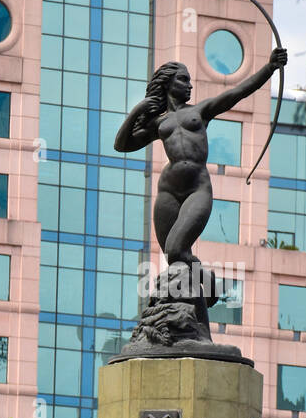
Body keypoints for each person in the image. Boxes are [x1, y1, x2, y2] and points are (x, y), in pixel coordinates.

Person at [114, 48, 287, 263]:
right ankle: (204, 286)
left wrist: (269, 68)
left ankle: (204, 285)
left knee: (176, 248)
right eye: (183, 80)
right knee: (174, 257)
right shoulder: (157, 123)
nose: (190, 85)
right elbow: (121, 145)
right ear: (168, 84)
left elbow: (238, 92)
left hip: (197, 188)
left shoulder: (200, 111)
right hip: (168, 191)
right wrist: (136, 111)